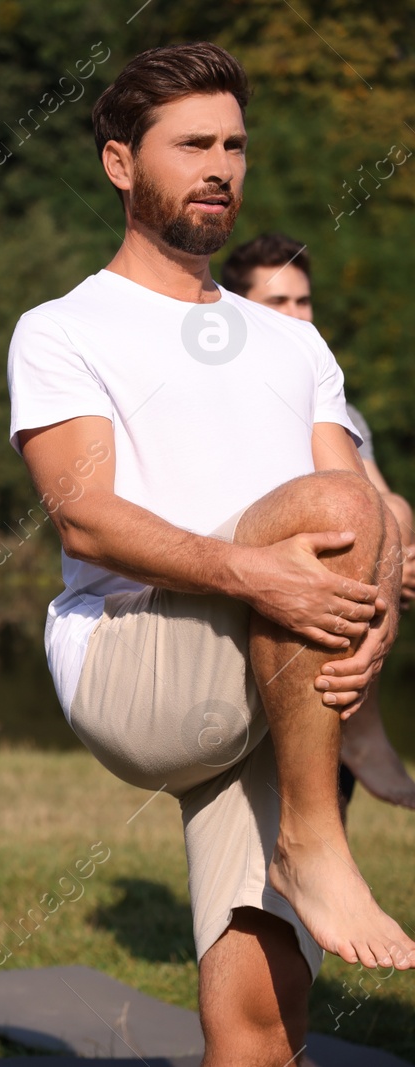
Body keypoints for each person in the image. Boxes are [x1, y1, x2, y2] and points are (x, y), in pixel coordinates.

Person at [6, 42, 415, 1064]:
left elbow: (364, 516)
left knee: (263, 1024)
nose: (219, 165)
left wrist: (377, 632)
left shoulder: (292, 343)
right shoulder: (62, 328)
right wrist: (255, 571)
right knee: (323, 503)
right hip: (135, 659)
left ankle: (311, 815)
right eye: (191, 144)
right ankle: (317, 835)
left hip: (272, 677)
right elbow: (85, 517)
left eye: (233, 144)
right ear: (118, 162)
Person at [220, 232, 415, 812]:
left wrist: (399, 549)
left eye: (303, 303)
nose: (296, 316)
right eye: (278, 303)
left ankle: (353, 734)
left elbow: (379, 499)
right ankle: (360, 730)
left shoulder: (336, 402)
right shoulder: (223, 391)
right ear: (239, 306)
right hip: (259, 568)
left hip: (334, 567)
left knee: (394, 518)